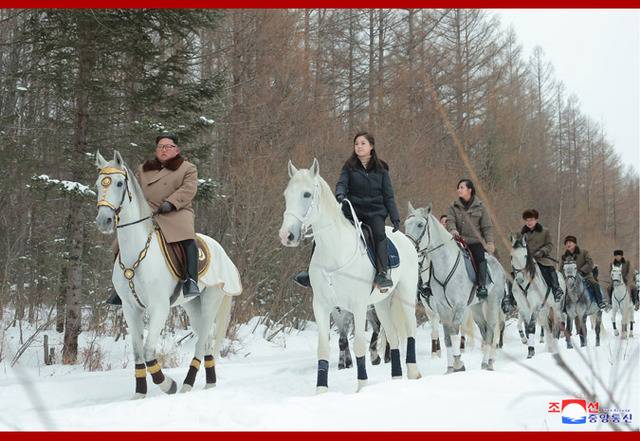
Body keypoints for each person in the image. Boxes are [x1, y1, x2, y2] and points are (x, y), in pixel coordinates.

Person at [293, 131, 401, 289]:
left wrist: (395, 216)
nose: (359, 147)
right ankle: (311, 273)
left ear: (371, 146)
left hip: (374, 211)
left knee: (378, 234)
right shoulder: (349, 166)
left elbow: (388, 195)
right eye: (356, 144)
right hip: (352, 209)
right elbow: (342, 182)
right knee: (324, 229)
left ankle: (382, 273)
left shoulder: (382, 169)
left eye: (363, 143)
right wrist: (340, 193)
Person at [107, 132, 200, 305]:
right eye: (160, 147)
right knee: (120, 243)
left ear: (176, 149)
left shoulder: (187, 168)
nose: (163, 150)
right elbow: (133, 190)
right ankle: (120, 287)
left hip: (176, 212)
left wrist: (170, 203)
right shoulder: (144, 169)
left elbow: (188, 189)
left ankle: (190, 281)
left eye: (168, 146)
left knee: (188, 240)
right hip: (146, 213)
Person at [444, 179, 495, 299]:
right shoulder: (453, 206)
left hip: (474, 242)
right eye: (458, 188)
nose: (459, 190)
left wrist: (489, 242)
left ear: (470, 190)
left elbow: (487, 227)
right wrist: (452, 230)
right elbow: (450, 220)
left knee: (480, 258)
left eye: (462, 187)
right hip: (457, 241)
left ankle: (481, 286)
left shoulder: (481, 207)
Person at [518, 209, 563, 301]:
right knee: (516, 273)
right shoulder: (521, 234)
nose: (529, 222)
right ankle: (511, 298)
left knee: (550, 270)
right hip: (526, 261)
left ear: (536, 220)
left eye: (531, 220)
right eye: (527, 220)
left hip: (541, 258)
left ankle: (556, 290)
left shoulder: (545, 231)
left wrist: (542, 251)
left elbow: (550, 245)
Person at [559, 236, 606, 310]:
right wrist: (565, 276)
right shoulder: (564, 256)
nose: (568, 244)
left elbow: (590, 263)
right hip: (569, 278)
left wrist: (581, 271)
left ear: (575, 244)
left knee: (595, 284)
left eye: (570, 242)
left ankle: (600, 302)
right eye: (566, 243)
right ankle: (563, 307)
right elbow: (561, 268)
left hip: (585, 275)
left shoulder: (584, 252)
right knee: (562, 288)